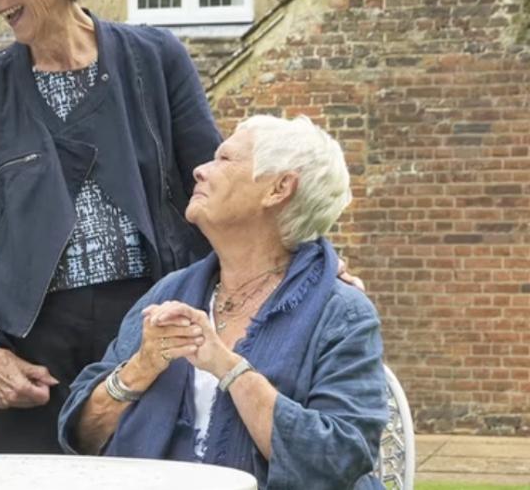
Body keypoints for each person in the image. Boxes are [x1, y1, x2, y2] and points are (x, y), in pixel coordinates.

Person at [0, 0, 222, 453]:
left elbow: (217, 191)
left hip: (147, 330)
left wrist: (306, 258)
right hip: (30, 355)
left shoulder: (155, 59)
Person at [59, 116, 387, 489]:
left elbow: (336, 459)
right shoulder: (170, 294)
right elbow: (83, 435)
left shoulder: (341, 313)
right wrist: (141, 367)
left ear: (279, 188)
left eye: (225, 159)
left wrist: (229, 368)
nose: (199, 170)